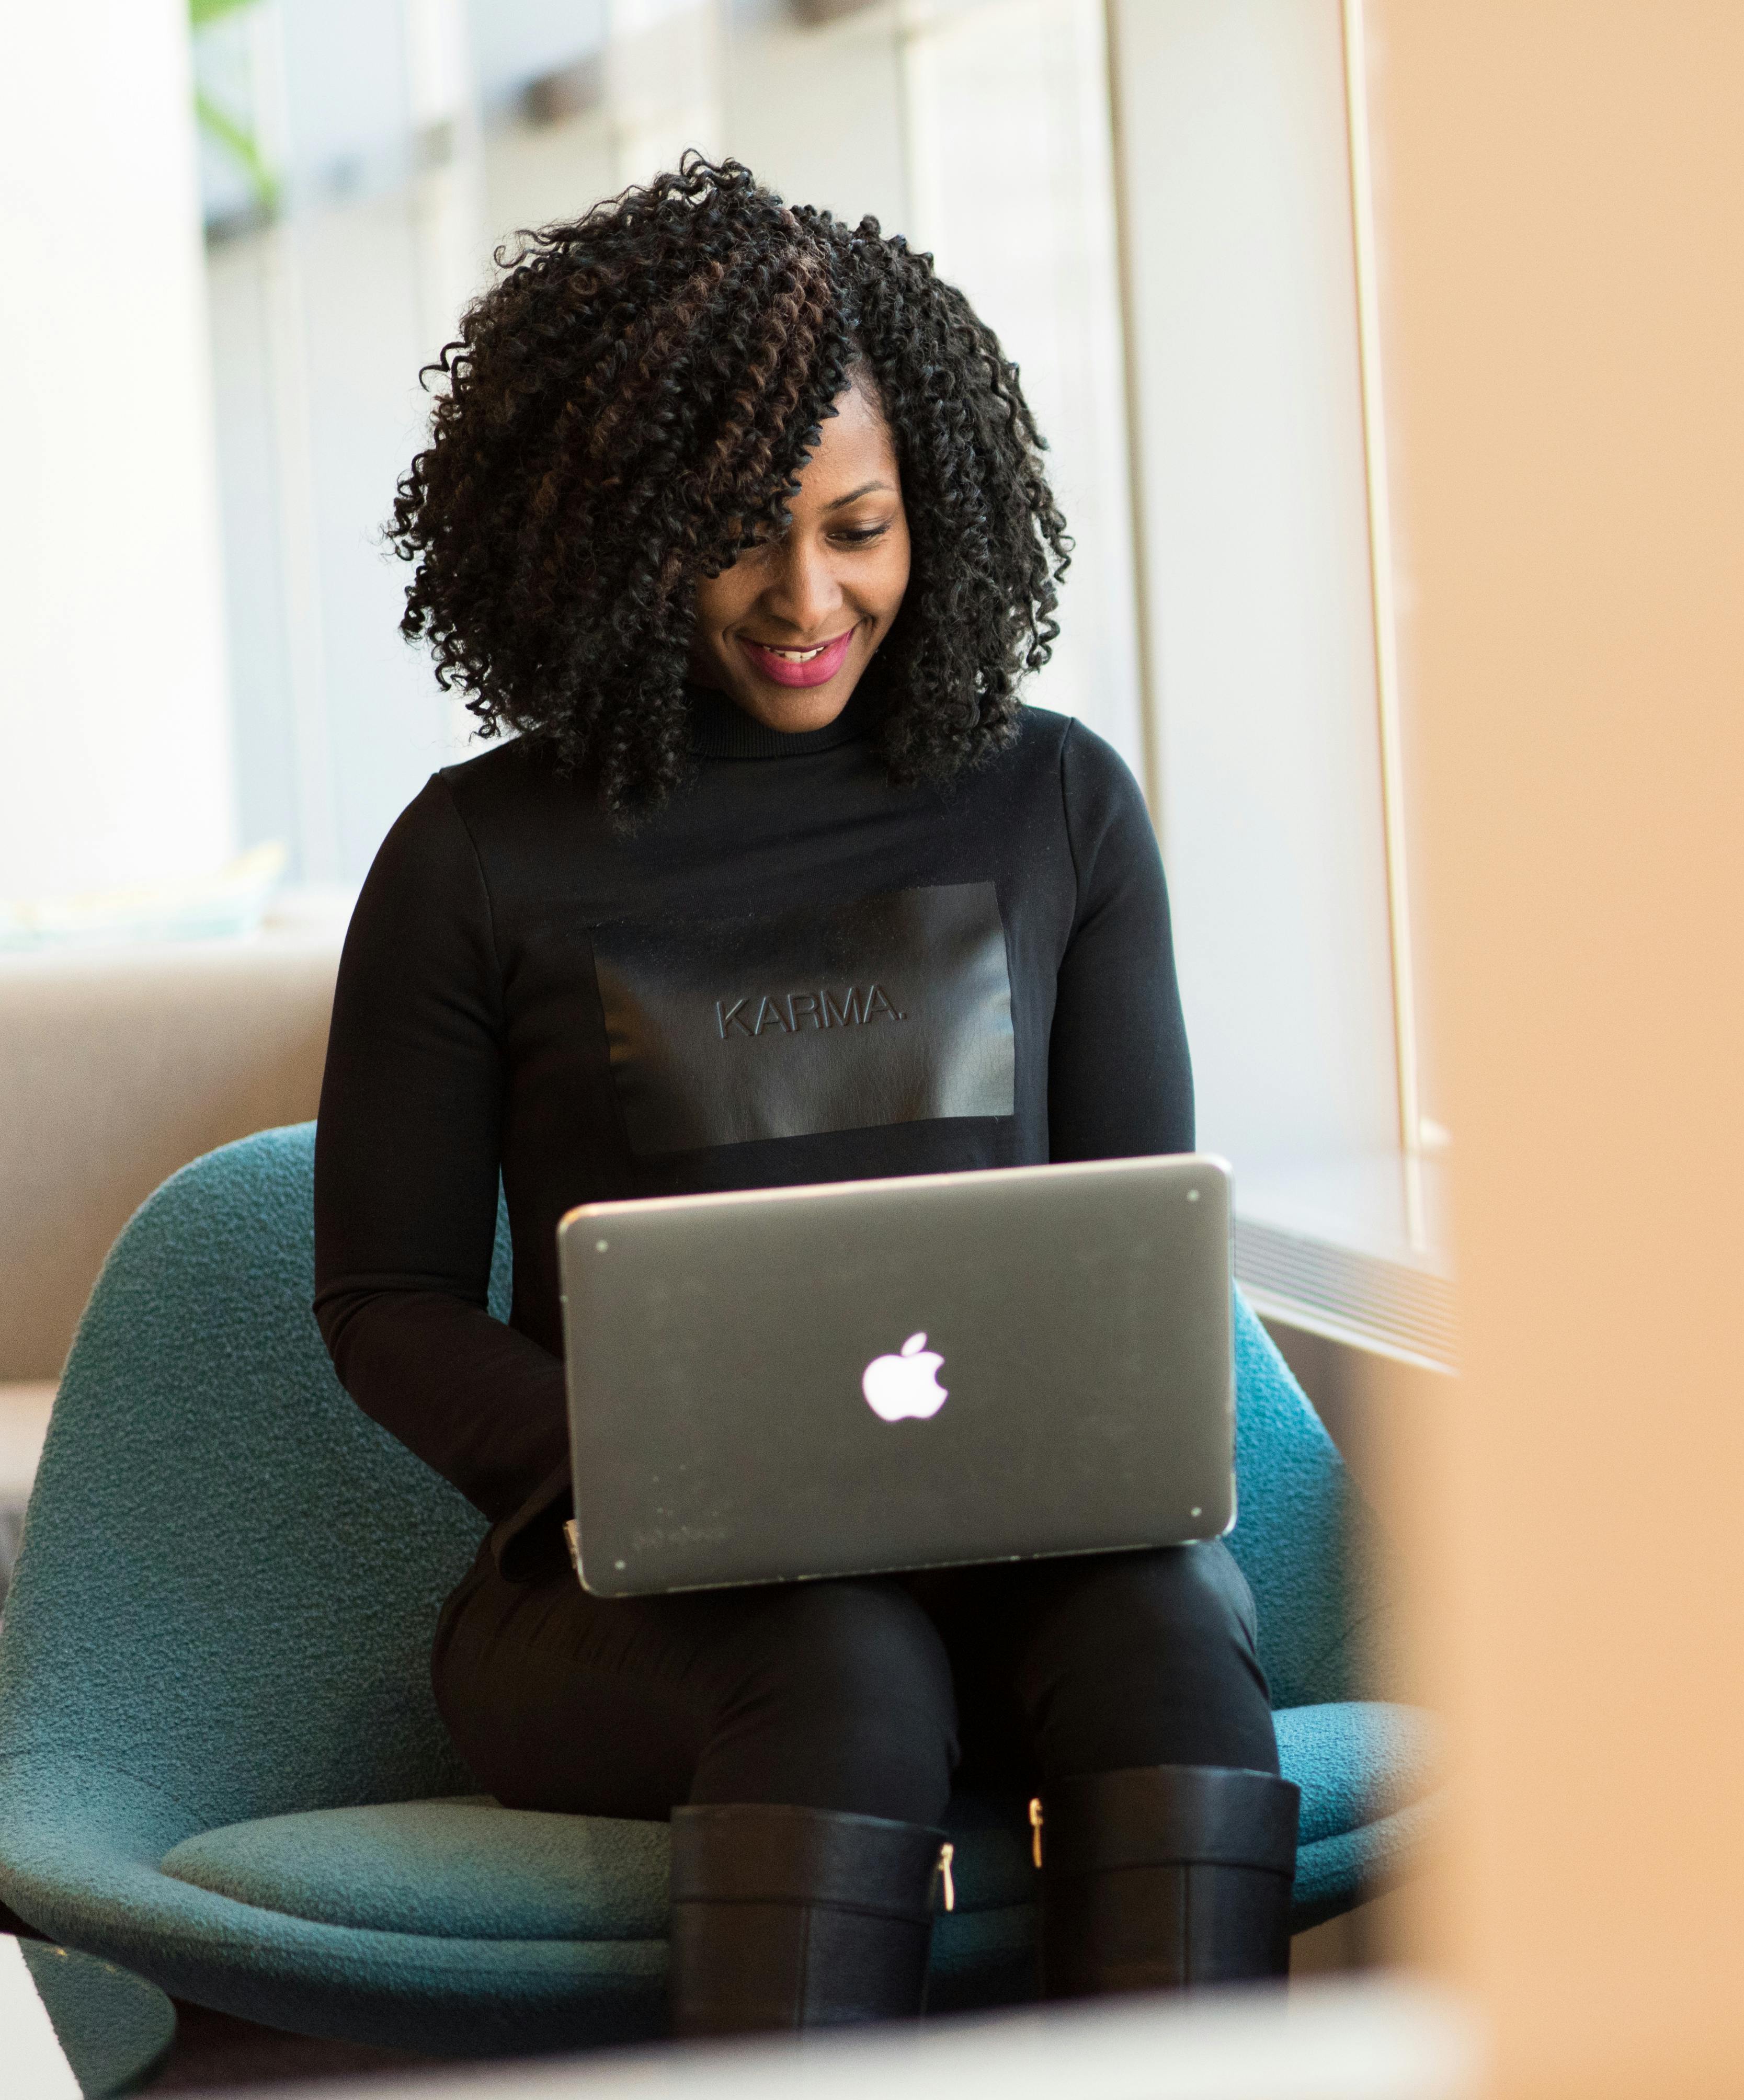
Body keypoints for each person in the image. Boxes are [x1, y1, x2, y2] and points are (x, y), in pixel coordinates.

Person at [313, 158, 1296, 2037]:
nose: (805, 597)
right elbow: (388, 1308)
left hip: (1028, 1560)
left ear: (940, 509)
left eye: (862, 527)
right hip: (639, 1604)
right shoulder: (471, 858)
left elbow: (1130, 1252)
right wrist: (672, 1468)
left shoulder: (1060, 806)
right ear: (609, 532)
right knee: (842, 1658)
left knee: (1168, 1640)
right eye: (739, 536)